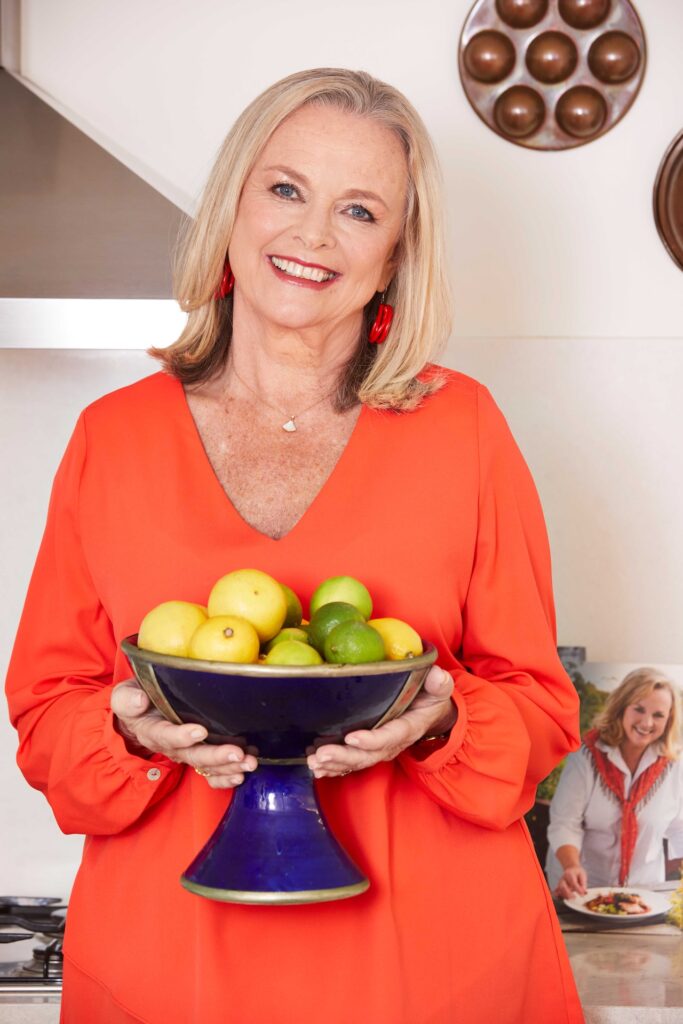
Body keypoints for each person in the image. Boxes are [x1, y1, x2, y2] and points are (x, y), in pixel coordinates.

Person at [6, 68, 584, 1024]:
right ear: (232, 207)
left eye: (359, 211)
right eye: (285, 189)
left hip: (428, 961)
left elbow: (540, 708)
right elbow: (46, 710)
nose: (313, 235)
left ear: (394, 256)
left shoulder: (465, 430)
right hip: (175, 962)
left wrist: (438, 723)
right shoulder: (113, 437)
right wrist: (129, 731)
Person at [547, 667, 683, 899]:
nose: (647, 722)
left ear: (669, 719)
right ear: (622, 707)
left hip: (644, 892)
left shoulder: (675, 765)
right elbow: (565, 824)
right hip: (581, 888)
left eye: (658, 715)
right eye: (639, 709)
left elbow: (679, 828)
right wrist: (572, 867)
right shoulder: (587, 755)